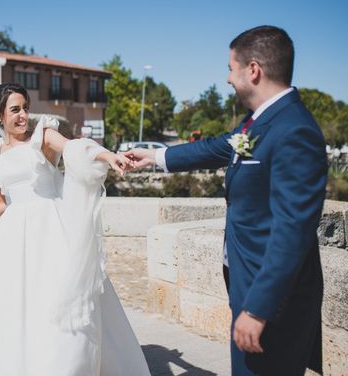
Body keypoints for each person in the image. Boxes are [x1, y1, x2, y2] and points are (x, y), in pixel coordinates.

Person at [127, 26, 327, 376]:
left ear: (253, 70)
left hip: (273, 305)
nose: (227, 78)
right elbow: (216, 147)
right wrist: (155, 158)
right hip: (247, 285)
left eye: (231, 68)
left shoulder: (295, 131)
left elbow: (292, 231)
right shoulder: (258, 123)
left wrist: (258, 309)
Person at [0, 83, 150, 376]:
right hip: (13, 239)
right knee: (12, 309)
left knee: (63, 302)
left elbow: (76, 147)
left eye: (25, 107)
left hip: (53, 230)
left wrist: (109, 157)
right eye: (15, 110)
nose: (23, 116)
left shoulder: (42, 136)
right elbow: (2, 204)